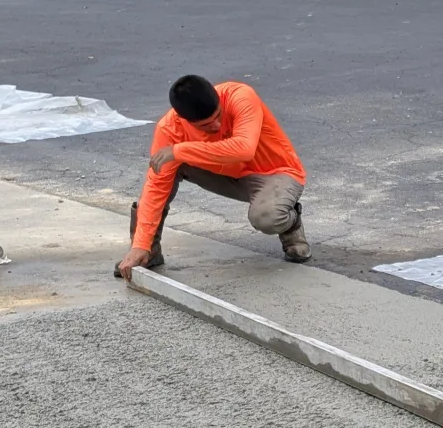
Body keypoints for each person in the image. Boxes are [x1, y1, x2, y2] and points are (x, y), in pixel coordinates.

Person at [114, 75, 309, 280]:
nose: (216, 126)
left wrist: (180, 150)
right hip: (225, 175)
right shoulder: (170, 129)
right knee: (164, 169)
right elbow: (156, 188)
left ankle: (291, 224)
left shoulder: (240, 96)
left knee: (267, 217)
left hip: (275, 173)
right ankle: (148, 253)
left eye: (219, 115)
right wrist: (140, 244)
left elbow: (244, 149)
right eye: (206, 125)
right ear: (184, 120)